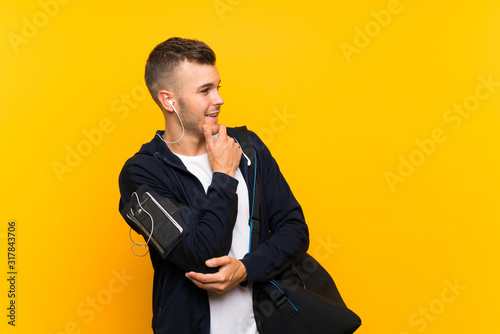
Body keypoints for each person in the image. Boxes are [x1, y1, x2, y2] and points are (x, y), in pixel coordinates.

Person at [118, 37, 309, 334]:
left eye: (218, 86)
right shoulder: (142, 174)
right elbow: (201, 256)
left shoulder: (247, 147)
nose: (218, 99)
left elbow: (295, 229)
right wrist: (223, 176)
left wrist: (247, 269)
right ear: (168, 100)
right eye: (205, 90)